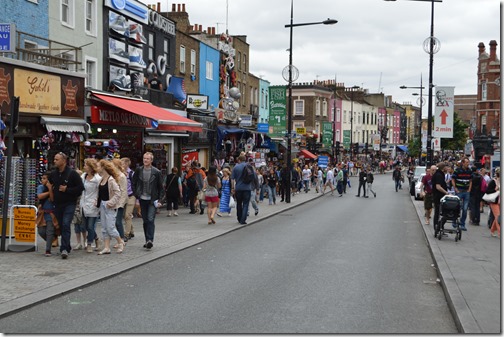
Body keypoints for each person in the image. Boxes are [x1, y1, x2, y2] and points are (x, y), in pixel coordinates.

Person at [48, 152, 84, 259]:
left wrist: (67, 190)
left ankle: (64, 248)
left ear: (64, 161)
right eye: (54, 159)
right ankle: (66, 246)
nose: (55, 161)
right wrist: (50, 189)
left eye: (57, 159)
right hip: (58, 204)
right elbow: (48, 183)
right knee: (61, 226)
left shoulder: (72, 173)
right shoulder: (54, 173)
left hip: (69, 203)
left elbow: (80, 188)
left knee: (65, 224)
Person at [132, 152, 164, 250]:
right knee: (145, 220)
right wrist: (136, 195)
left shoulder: (156, 172)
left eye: (147, 158)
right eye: (144, 158)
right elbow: (134, 183)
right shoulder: (139, 170)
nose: (145, 160)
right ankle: (147, 240)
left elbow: (161, 188)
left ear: (151, 160)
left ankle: (150, 240)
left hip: (152, 199)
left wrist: (160, 200)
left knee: (150, 219)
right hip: (142, 198)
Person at [96, 160, 125, 255]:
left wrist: (111, 202)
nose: (97, 168)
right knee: (104, 228)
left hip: (109, 206)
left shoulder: (111, 180)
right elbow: (100, 194)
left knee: (110, 227)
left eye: (98, 166)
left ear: (103, 168)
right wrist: (97, 202)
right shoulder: (101, 179)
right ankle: (107, 247)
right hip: (102, 205)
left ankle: (120, 242)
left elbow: (118, 192)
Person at [80, 159, 101, 253]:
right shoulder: (83, 176)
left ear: (90, 167)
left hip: (93, 204)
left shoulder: (97, 179)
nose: (84, 166)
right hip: (84, 204)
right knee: (84, 226)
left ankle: (89, 243)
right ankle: (96, 238)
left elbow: (100, 191)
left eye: (85, 165)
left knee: (90, 226)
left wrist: (98, 201)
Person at [36, 172, 58, 256]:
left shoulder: (53, 187)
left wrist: (50, 189)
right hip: (42, 212)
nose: (42, 180)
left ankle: (48, 249)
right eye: (42, 178)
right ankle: (53, 239)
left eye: (44, 178)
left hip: (51, 212)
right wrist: (49, 192)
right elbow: (40, 196)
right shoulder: (40, 187)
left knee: (49, 230)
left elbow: (52, 199)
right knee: (41, 231)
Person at [231, 154, 254, 225]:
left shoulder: (236, 167)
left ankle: (239, 217)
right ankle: (243, 219)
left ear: (239, 160)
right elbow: (253, 176)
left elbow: (232, 179)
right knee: (246, 204)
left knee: (239, 203)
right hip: (247, 187)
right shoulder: (249, 166)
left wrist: (232, 188)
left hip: (238, 188)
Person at [451, 157, 472, 231]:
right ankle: (454, 221)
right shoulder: (457, 170)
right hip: (459, 190)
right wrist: (456, 189)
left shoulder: (469, 170)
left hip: (466, 191)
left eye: (468, 162)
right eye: (466, 162)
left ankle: (462, 224)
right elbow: (453, 179)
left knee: (465, 209)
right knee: (457, 207)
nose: (468, 164)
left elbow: (470, 180)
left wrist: (469, 189)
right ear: (463, 163)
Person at [112, 158, 128, 244]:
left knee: (118, 221)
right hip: (114, 202)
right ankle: (119, 238)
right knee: (115, 221)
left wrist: (121, 203)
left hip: (120, 203)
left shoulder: (122, 176)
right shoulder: (114, 176)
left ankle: (122, 238)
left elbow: (123, 191)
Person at [121, 157, 136, 240]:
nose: (121, 165)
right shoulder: (120, 173)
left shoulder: (131, 173)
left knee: (127, 215)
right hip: (123, 197)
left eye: (122, 163)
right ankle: (131, 231)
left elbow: (135, 185)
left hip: (131, 196)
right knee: (126, 215)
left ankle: (126, 234)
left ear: (127, 164)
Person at [432, 162, 449, 232]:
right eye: (446, 167)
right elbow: (438, 187)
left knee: (438, 212)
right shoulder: (439, 175)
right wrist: (446, 193)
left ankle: (439, 227)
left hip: (439, 197)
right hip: (439, 197)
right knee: (442, 213)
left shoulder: (439, 174)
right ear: (443, 168)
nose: (448, 168)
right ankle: (438, 227)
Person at [486, 167, 500, 238]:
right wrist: (495, 190)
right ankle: (500, 233)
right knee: (498, 217)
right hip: (494, 202)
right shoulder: (493, 181)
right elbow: (487, 191)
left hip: (501, 202)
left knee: (498, 217)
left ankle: (492, 230)